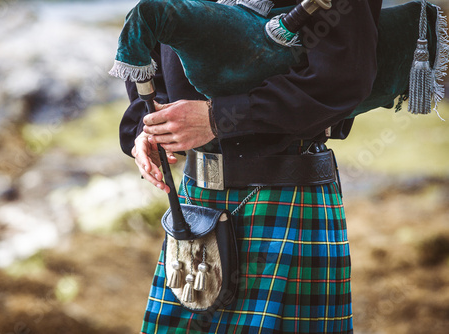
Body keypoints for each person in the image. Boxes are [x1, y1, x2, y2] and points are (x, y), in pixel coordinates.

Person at [119, 0, 382, 332]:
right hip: (195, 203)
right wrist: (147, 126)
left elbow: (345, 77)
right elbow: (150, 41)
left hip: (288, 200)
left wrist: (218, 119)